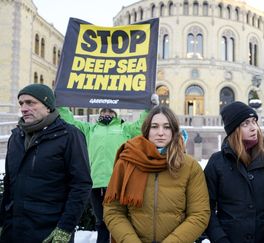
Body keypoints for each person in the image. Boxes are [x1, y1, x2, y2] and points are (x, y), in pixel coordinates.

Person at [103, 105, 210, 243]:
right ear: (146, 130)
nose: (161, 132)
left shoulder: (189, 167)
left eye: (166, 127)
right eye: (154, 127)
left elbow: (199, 214)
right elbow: (113, 210)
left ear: (174, 131)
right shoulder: (127, 161)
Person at [0, 84, 92, 242]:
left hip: (48, 231)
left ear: (48, 106)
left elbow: (81, 185)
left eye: (30, 103)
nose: (24, 108)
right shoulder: (16, 137)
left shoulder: (70, 136)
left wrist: (65, 229)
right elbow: (9, 184)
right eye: (21, 103)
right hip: (14, 231)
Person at [58, 98, 153, 243]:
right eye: (104, 110)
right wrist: (61, 102)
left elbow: (142, 125)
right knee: (101, 222)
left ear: (116, 114)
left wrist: (149, 107)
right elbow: (70, 122)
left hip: (117, 183)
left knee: (118, 222)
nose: (107, 113)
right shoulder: (90, 129)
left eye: (110, 111)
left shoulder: (125, 128)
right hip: (95, 183)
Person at [204, 101, 264, 243]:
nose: (254, 128)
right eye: (246, 124)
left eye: (254, 122)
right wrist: (220, 239)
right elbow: (205, 207)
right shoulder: (217, 162)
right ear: (234, 129)